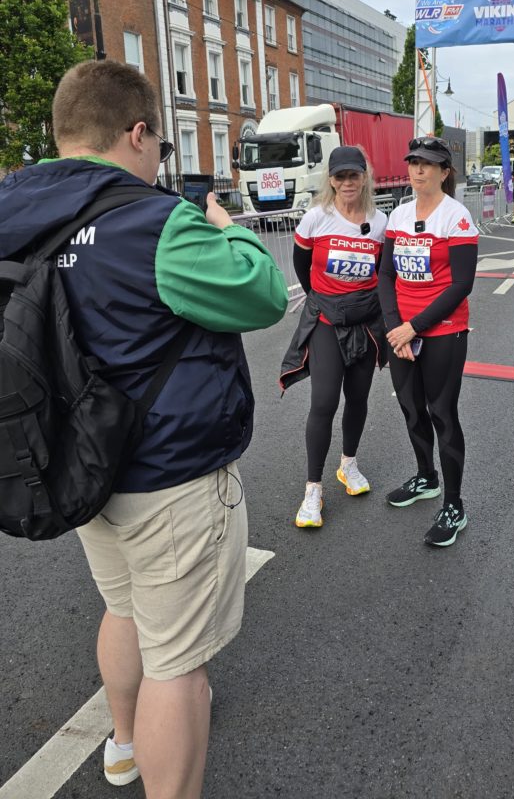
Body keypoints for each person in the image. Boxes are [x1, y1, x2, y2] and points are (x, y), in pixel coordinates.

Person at [0, 60, 288, 799]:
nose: (159, 156)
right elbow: (262, 294)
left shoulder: (10, 212)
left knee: (123, 610)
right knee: (178, 666)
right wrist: (229, 226)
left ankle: (123, 746)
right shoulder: (155, 223)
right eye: (159, 141)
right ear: (136, 133)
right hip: (169, 477)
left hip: (74, 465)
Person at [280, 146, 388, 529]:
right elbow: (302, 266)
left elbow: (382, 272)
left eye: (353, 175)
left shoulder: (380, 222)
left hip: (366, 322)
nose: (347, 182)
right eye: (340, 176)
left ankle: (348, 464)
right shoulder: (316, 218)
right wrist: (324, 299)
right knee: (324, 402)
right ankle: (313, 490)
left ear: (364, 177)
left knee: (357, 398)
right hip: (326, 320)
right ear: (331, 180)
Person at [378, 136, 478, 548]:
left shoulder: (456, 216)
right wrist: (395, 328)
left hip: (443, 331)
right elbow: (386, 275)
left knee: (442, 414)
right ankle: (426, 477)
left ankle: (454, 505)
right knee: (410, 408)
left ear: (444, 171)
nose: (418, 169)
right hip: (402, 332)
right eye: (413, 162)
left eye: (428, 163)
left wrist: (414, 327)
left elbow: (461, 284)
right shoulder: (399, 215)